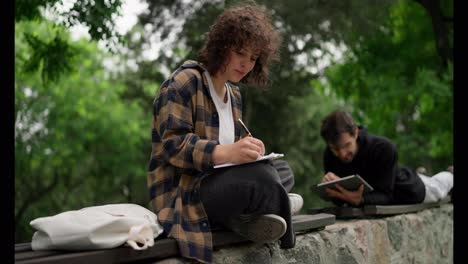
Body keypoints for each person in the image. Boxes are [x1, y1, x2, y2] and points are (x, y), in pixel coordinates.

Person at [147, 3, 302, 263]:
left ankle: (247, 215)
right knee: (264, 179)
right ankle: (274, 204)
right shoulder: (185, 83)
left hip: (217, 187)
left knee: (281, 169)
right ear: (221, 45)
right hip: (184, 197)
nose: (246, 64)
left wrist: (247, 150)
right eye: (240, 52)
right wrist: (228, 152)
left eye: (253, 58)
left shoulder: (234, 95)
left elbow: (228, 157)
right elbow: (174, 146)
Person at [319, 110, 453, 207]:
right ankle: (421, 174)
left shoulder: (383, 147)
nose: (342, 154)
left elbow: (386, 195)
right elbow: (340, 200)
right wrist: (331, 189)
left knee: (438, 188)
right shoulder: (329, 155)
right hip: (387, 182)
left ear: (355, 132)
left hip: (406, 190)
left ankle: (450, 174)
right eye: (335, 149)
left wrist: (362, 200)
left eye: (347, 145)